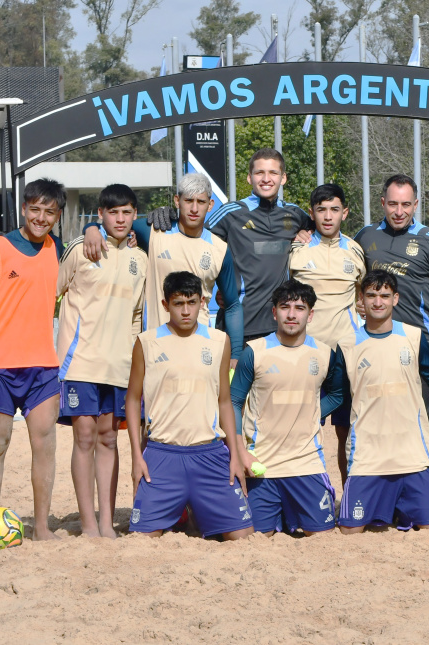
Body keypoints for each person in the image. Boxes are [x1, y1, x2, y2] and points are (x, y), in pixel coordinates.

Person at [0, 178, 66, 541]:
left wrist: (91, 230)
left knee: (45, 444)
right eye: (35, 209)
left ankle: (41, 528)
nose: (41, 217)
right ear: (24, 208)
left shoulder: (57, 249)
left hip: (42, 365)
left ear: (56, 216)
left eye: (49, 212)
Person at [125, 271, 258, 539]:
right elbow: (131, 399)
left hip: (209, 455)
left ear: (202, 302)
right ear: (165, 305)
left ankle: (195, 513)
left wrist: (234, 454)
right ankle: (182, 512)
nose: (186, 311)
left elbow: (224, 400)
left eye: (192, 302)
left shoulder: (219, 341)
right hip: (162, 456)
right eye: (178, 303)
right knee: (141, 541)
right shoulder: (146, 343)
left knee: (243, 539)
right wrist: (136, 457)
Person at [353, 175, 429, 488]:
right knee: (381, 423)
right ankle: (385, 492)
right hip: (376, 348)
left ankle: (427, 492)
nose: (399, 211)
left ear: (416, 205)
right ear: (383, 203)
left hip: (423, 350)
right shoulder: (365, 235)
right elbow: (351, 282)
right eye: (393, 204)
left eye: (406, 205)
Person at [56, 183, 146, 538]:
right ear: (100, 215)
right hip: (80, 362)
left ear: (134, 216)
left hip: (120, 366)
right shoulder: (81, 249)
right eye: (113, 212)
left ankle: (107, 523)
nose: (120, 219)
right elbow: (52, 292)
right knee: (85, 437)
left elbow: (138, 317)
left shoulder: (141, 259)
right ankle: (89, 524)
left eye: (126, 212)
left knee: (110, 439)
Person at [82, 173, 243, 363]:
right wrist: (91, 228)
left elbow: (232, 305)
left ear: (210, 205)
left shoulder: (219, 248)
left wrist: (236, 355)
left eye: (200, 202)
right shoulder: (153, 231)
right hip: (154, 351)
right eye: (188, 200)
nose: (193, 208)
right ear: (177, 201)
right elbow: (117, 222)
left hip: (198, 353)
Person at [230, 280, 346, 535]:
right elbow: (234, 402)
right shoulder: (254, 352)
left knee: (322, 537)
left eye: (299, 308)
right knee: (253, 538)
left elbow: (338, 395)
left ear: (311, 314)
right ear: (274, 312)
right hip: (261, 466)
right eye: (285, 307)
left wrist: (314, 412)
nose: (292, 314)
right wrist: (241, 453)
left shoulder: (325, 354)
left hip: (307, 465)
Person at [336, 270, 429, 533]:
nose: (378, 302)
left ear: (395, 299)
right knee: (350, 532)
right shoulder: (346, 345)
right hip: (367, 456)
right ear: (360, 299)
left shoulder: (414, 336)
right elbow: (338, 397)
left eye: (384, 296)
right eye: (371, 295)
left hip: (412, 455)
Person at [288, 184, 365, 485]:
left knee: (346, 432)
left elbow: (362, 298)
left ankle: (348, 495)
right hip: (307, 353)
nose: (328, 216)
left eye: (334, 209)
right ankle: (308, 494)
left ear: (344, 212)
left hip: (345, 355)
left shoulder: (356, 250)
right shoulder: (297, 250)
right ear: (312, 213)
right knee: (304, 428)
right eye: (321, 210)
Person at [204, 148, 313, 342]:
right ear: (249, 178)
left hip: (280, 326)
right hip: (239, 325)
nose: (266, 178)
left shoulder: (295, 214)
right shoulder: (231, 212)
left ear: (283, 178)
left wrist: (305, 232)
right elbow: (193, 238)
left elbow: (325, 231)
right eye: (259, 172)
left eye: (273, 172)